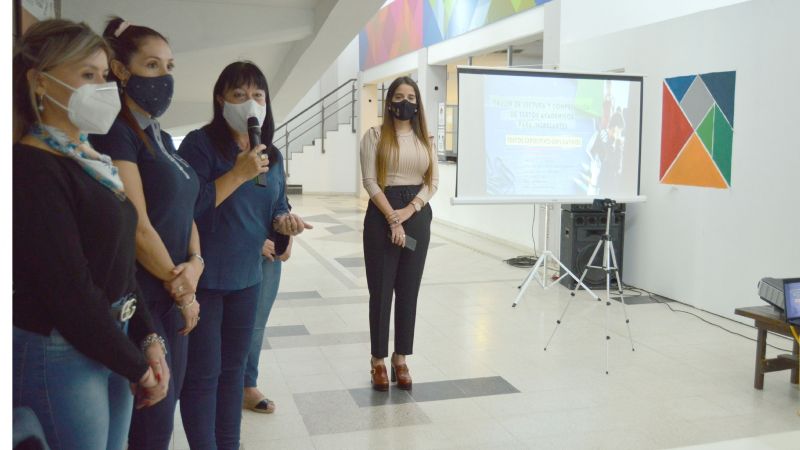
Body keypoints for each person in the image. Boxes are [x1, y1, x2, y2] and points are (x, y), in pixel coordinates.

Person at [12, 19, 169, 450]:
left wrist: (147, 338)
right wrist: (136, 366)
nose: (103, 87)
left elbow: (117, 262)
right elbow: (68, 290)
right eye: (87, 75)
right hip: (59, 349)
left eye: (104, 76)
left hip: (108, 338)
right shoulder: (31, 169)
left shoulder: (89, 159)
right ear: (39, 83)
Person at [178, 61, 311, 449]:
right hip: (205, 280)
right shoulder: (199, 145)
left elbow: (274, 205)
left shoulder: (269, 152)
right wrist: (237, 173)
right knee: (203, 376)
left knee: (234, 374)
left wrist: (284, 223)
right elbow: (187, 208)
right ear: (221, 100)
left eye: (257, 95)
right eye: (239, 95)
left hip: (248, 278)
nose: (249, 104)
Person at [88, 17, 201, 450]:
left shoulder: (160, 135)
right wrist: (182, 289)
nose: (165, 78)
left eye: (169, 67)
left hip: (176, 292)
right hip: (146, 299)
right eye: (152, 66)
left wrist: (196, 262)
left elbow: (186, 204)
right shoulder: (116, 132)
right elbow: (136, 226)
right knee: (148, 427)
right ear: (120, 71)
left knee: (163, 420)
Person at [359, 76, 438, 391]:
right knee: (381, 291)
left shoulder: (425, 140)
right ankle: (377, 360)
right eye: (399, 96)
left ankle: (400, 357)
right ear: (389, 101)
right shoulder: (375, 136)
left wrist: (410, 211)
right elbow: (369, 180)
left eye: (411, 96)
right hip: (381, 214)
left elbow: (432, 182)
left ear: (417, 103)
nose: (405, 101)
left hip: (416, 215)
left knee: (408, 290)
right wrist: (393, 218)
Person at [242, 235, 292, 414]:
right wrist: (251, 239)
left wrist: (288, 237)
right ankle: (220, 386)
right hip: (234, 249)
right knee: (225, 323)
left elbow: (282, 206)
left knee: (257, 324)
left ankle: (247, 385)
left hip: (272, 252)